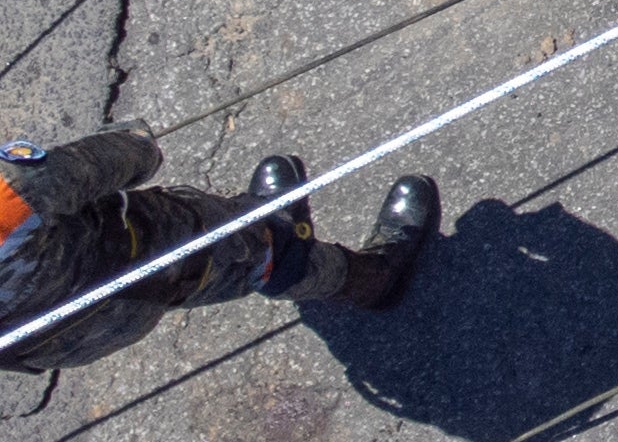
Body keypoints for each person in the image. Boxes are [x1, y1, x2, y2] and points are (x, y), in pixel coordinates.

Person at [0, 131, 436, 376]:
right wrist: (141, 145)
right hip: (153, 255)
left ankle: (266, 224)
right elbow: (118, 159)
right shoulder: (7, 195)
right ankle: (368, 279)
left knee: (190, 277)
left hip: (55, 344)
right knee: (250, 256)